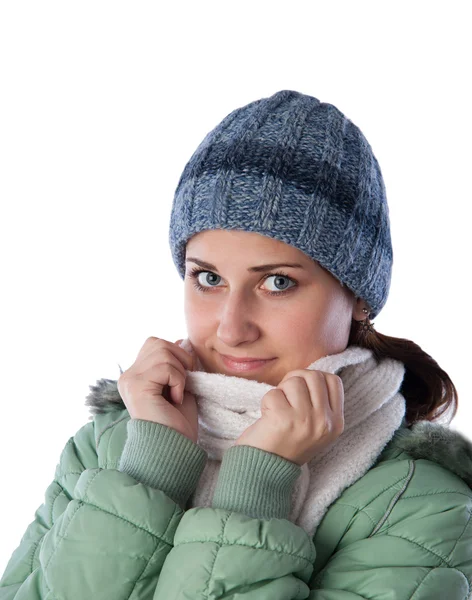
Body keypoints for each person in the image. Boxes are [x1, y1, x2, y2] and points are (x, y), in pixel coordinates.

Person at [1, 89, 472, 599]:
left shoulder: (419, 504)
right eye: (208, 278)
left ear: (359, 296)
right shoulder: (112, 443)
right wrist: (153, 470)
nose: (231, 328)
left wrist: (258, 486)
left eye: (278, 283)